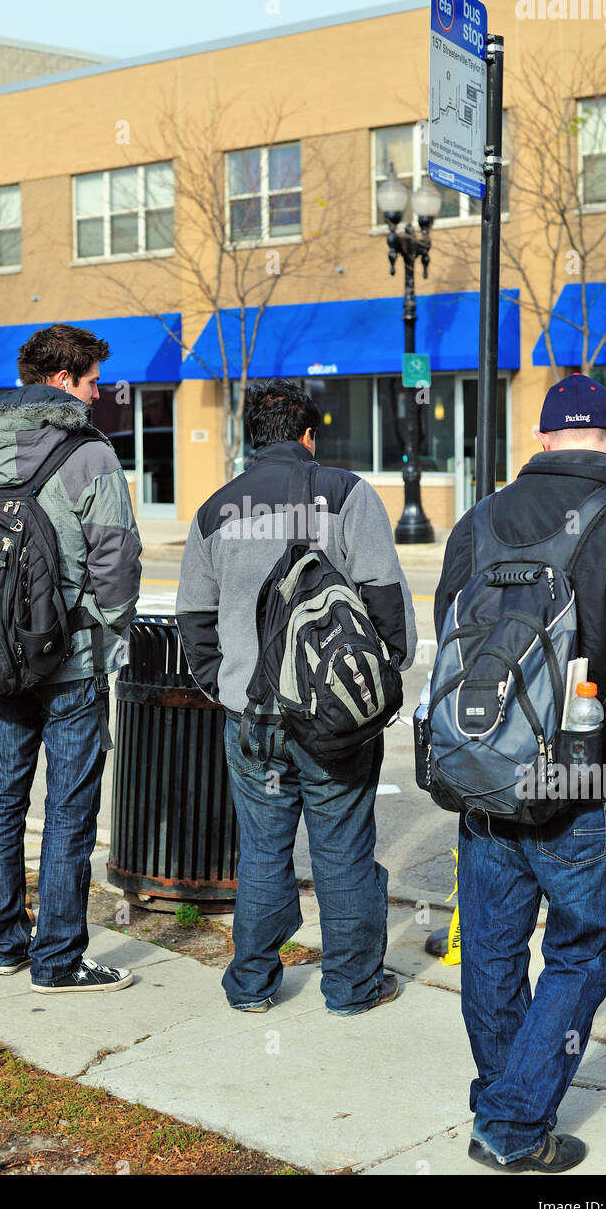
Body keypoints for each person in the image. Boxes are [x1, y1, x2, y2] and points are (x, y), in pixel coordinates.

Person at [433, 373, 606, 1173]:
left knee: (491, 944)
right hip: (582, 775)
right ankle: (512, 1125)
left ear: (544, 440)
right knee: (584, 946)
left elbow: (452, 647)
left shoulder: (479, 520)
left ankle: (501, 1097)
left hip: (484, 769)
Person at [176, 377, 417, 1015]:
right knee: (342, 850)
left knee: (261, 849)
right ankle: (351, 987)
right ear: (309, 437)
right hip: (332, 716)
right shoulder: (345, 494)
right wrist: (383, 677)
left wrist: (221, 685)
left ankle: (253, 984)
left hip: (250, 718)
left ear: (252, 440)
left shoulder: (214, 509)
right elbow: (385, 594)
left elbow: (194, 619)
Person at [0, 323, 142, 992]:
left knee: (2, 797)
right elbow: (118, 555)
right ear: (63, 380)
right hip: (73, 659)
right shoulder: (89, 452)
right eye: (91, 382)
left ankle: (5, 940)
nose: (98, 394)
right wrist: (110, 631)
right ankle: (58, 960)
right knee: (69, 808)